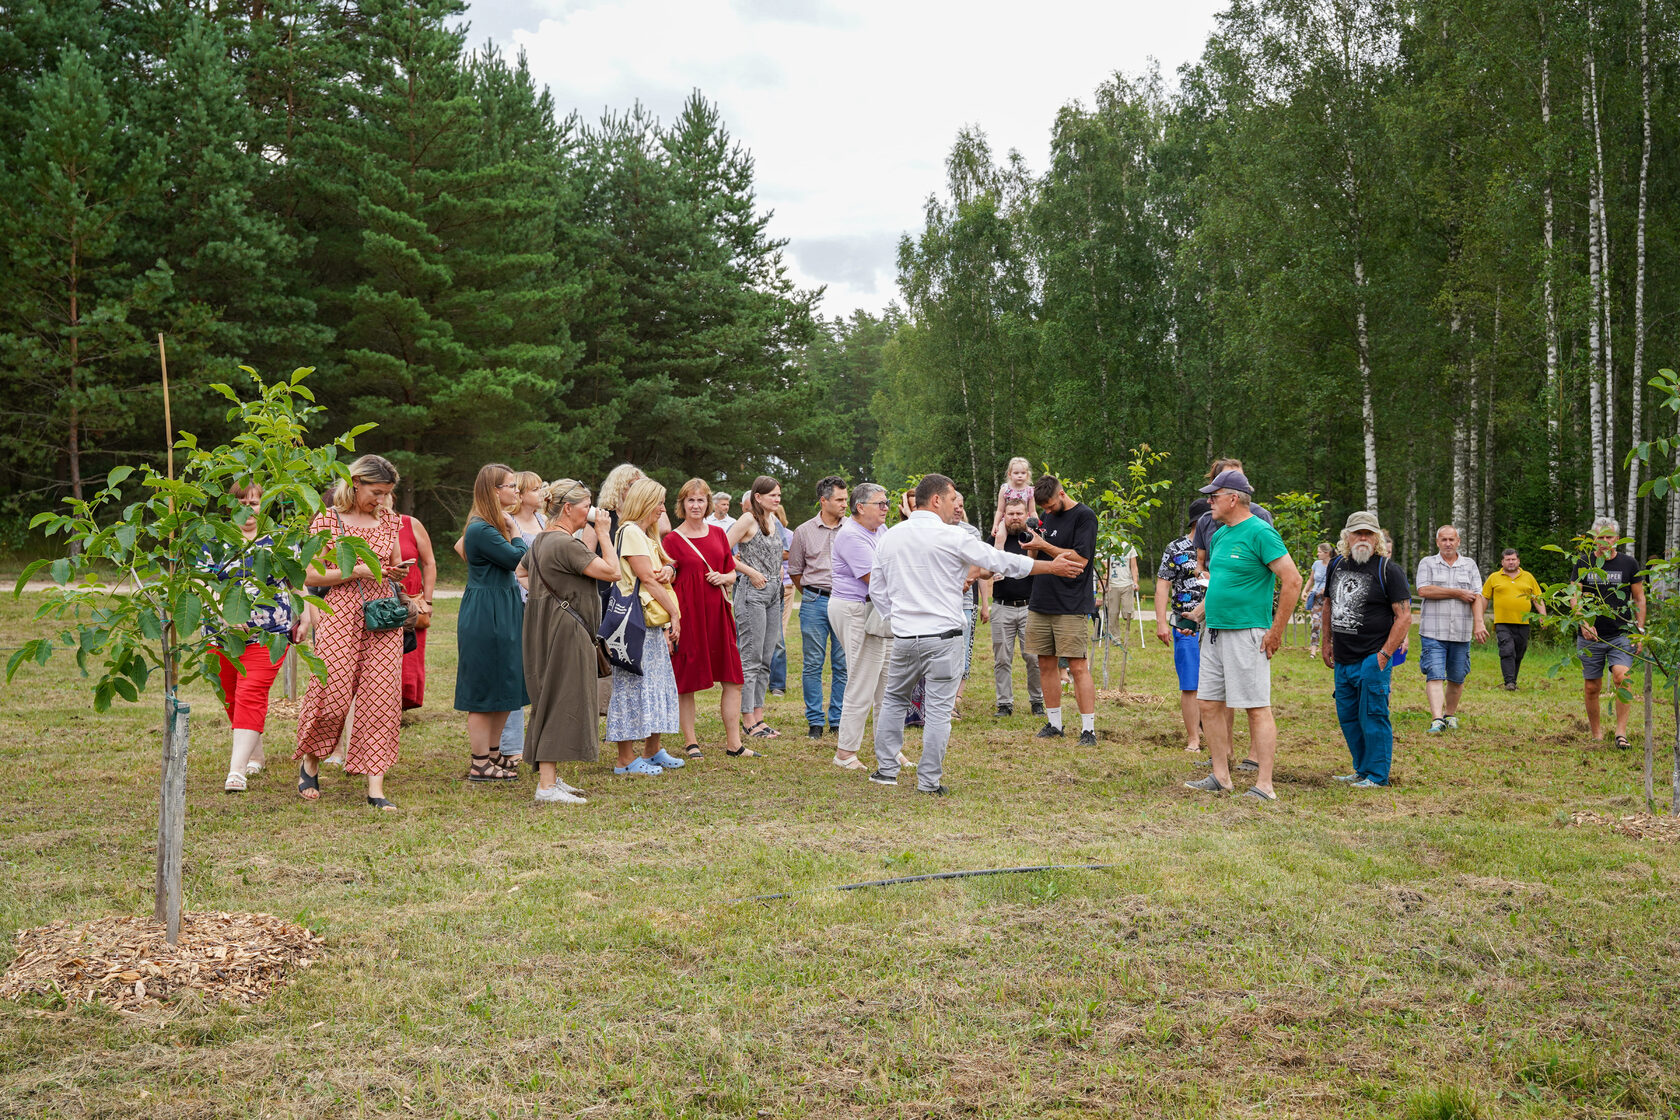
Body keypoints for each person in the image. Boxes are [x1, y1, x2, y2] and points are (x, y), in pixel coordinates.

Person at [869, 474, 1087, 794]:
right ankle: (928, 782)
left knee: (893, 701)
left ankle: (886, 771)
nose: (956, 506)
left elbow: (877, 588)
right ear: (936, 500)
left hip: (904, 637)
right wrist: (1050, 567)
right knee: (939, 710)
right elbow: (1000, 561)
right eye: (952, 498)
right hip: (943, 639)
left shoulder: (890, 537)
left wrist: (896, 618)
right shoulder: (952, 536)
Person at [294, 454, 409, 810]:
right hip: (341, 612)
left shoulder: (390, 521)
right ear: (356, 483)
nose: (382, 499)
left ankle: (376, 787)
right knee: (332, 694)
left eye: (387, 493)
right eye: (377, 492)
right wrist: (356, 570)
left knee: (381, 698)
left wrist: (397, 573)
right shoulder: (328, 520)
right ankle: (310, 762)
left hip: (382, 615)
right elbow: (309, 575)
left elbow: (392, 563)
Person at [1182, 468, 1301, 802]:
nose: (1209, 502)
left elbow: (1292, 580)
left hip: (1247, 632)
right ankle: (1221, 777)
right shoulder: (1219, 535)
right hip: (1214, 632)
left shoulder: (1261, 533)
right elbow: (1220, 583)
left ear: (1233, 499)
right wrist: (1199, 614)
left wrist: (1275, 632)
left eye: (1214, 496)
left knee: (1255, 707)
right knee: (1208, 703)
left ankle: (1265, 785)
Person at [522, 479, 622, 805]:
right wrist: (604, 534)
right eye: (586, 507)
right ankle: (546, 786)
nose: (591, 512)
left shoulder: (542, 540)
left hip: (547, 625)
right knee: (562, 699)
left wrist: (549, 598)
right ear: (568, 508)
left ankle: (550, 777)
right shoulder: (566, 544)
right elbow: (613, 572)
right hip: (566, 630)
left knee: (549, 696)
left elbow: (521, 573)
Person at [204, 482, 298, 793]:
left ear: (263, 505)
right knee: (231, 696)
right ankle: (255, 754)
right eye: (241, 503)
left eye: (254, 503)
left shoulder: (280, 539)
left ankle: (236, 771)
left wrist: (306, 616)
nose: (248, 510)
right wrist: (226, 615)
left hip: (269, 633)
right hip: (222, 635)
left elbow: (297, 581)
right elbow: (203, 582)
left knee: (251, 693)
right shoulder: (214, 539)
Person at [1321, 511, 1411, 788]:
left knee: (1373, 716)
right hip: (1343, 658)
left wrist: (1384, 655)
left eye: (1368, 533)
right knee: (1348, 717)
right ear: (1346, 536)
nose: (1363, 538)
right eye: (1357, 532)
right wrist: (1326, 642)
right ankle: (1361, 770)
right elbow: (1328, 604)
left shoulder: (1388, 570)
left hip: (1373, 657)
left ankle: (1377, 776)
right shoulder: (1336, 564)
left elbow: (1404, 617)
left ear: (1377, 538)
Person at [828, 483, 913, 771]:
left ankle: (889, 749)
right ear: (860, 507)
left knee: (888, 683)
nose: (886, 508)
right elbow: (874, 578)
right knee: (863, 681)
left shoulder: (880, 530)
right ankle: (845, 752)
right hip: (855, 609)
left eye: (887, 502)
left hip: (878, 611)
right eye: (880, 503)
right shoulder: (851, 535)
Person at [455, 463, 531, 782]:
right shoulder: (481, 529)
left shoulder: (490, 525)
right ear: (494, 491)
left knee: (506, 681)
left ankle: (494, 752)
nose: (516, 491)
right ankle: (479, 762)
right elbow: (519, 560)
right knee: (485, 686)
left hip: (504, 604)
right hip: (486, 611)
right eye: (511, 486)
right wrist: (515, 531)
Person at [605, 478, 687, 774]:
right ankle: (625, 759)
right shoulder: (630, 532)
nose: (662, 509)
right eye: (659, 503)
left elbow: (663, 569)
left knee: (655, 683)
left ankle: (652, 749)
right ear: (645, 502)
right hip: (636, 623)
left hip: (649, 622)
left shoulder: (644, 534)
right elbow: (647, 579)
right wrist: (674, 613)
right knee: (631, 686)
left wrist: (668, 569)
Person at [665, 478, 749, 760]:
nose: (696, 505)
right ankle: (691, 742)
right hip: (688, 615)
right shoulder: (672, 540)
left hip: (717, 613)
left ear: (708, 503)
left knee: (733, 678)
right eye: (690, 500)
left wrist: (724, 577)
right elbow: (668, 579)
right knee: (687, 680)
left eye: (701, 500)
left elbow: (731, 572)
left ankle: (734, 743)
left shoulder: (718, 534)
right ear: (682, 504)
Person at [1023, 475, 1100, 745]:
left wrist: (1043, 544)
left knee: (1077, 666)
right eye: (1043, 507)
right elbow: (1035, 559)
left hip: (1071, 603)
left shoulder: (1084, 516)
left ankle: (1088, 730)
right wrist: (1032, 543)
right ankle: (1054, 724)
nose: (1047, 510)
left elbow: (1079, 559)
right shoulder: (1046, 517)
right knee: (1045, 663)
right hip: (1041, 599)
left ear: (1062, 494)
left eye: (1051, 505)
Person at [1572, 517, 1646, 748]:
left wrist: (1640, 630)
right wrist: (1583, 622)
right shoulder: (1583, 562)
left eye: (1609, 537)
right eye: (1600, 537)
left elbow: (1639, 598)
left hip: (1621, 633)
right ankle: (1596, 734)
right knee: (1592, 686)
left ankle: (1621, 733)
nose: (1605, 541)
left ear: (1617, 539)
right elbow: (1574, 595)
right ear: (1594, 540)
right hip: (1590, 636)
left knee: (1622, 677)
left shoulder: (1629, 564)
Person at [789, 475, 850, 737]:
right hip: (814, 601)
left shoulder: (853, 529)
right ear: (823, 501)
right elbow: (795, 570)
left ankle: (838, 719)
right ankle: (815, 721)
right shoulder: (803, 531)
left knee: (843, 663)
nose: (845, 504)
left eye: (846, 499)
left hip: (845, 601)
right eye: (839, 500)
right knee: (813, 663)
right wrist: (812, 594)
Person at [729, 476, 786, 741]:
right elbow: (721, 550)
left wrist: (778, 570)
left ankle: (759, 716)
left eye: (779, 495)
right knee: (751, 658)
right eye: (772, 495)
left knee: (766, 657)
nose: (777, 499)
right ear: (758, 497)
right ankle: (747, 719)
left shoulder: (774, 520)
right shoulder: (747, 519)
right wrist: (749, 571)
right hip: (752, 593)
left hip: (774, 592)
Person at [497, 471, 547, 769]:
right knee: (515, 672)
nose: (541, 493)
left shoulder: (543, 521)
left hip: (541, 603)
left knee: (540, 673)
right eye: (536, 489)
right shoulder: (507, 521)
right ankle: (511, 745)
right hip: (516, 602)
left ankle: (539, 742)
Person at [1416, 524, 1485, 733]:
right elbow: (1424, 590)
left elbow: (1477, 596)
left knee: (1457, 677)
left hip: (1461, 632)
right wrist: (1457, 593)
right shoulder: (1427, 563)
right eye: (1444, 540)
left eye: (1451, 539)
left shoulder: (1469, 565)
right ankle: (1437, 719)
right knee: (1435, 674)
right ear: (1437, 542)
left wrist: (1479, 622)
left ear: (1458, 541)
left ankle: (1450, 715)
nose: (1448, 543)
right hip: (1433, 631)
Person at [1154, 499, 1211, 754]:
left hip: (1217, 622)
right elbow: (1163, 585)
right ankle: (1193, 739)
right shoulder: (1176, 548)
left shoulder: (1221, 546)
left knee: (1214, 682)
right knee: (1190, 683)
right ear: (1198, 522)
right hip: (1185, 621)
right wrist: (1160, 622)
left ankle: (1213, 733)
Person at [989, 498, 1044, 718]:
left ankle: (1037, 701)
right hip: (1002, 606)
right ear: (1004, 516)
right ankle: (1004, 703)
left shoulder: (1035, 538)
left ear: (1026, 515)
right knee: (1002, 658)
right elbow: (986, 566)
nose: (1014, 518)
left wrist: (1035, 536)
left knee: (1033, 658)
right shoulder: (995, 539)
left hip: (1030, 607)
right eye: (1010, 514)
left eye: (1019, 514)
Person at [1479, 548, 1546, 689]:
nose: (1511, 562)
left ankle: (1512, 681)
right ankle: (1509, 682)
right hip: (1502, 622)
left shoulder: (1528, 577)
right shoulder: (1494, 577)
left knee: (1518, 653)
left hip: (1523, 622)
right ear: (1502, 562)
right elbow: (1485, 598)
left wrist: (1543, 615)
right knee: (1507, 650)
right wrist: (1480, 619)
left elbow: (1537, 598)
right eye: (1507, 560)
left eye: (1513, 559)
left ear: (1518, 561)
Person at [1191, 458, 1274, 571]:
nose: (1238, 481)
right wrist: (1204, 576)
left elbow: (1280, 570)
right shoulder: (1206, 521)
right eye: (1229, 477)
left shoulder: (1261, 517)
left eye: (1240, 477)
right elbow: (1200, 564)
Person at [395, 496, 436, 713]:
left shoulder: (410, 524)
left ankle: (403, 703)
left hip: (411, 600)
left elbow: (429, 562)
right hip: (381, 601)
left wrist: (427, 600)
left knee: (410, 657)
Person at [769, 512, 794, 695]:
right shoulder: (745, 525)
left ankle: (777, 683)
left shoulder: (784, 531)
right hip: (752, 587)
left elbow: (787, 553)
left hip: (781, 585)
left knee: (778, 635)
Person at [990, 456, 1037, 542]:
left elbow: (1032, 511)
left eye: (1023, 473)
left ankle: (1032, 551)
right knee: (999, 536)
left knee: (1033, 534)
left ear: (1027, 475)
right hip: (1007, 520)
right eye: (1016, 473)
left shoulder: (1030, 491)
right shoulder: (1005, 489)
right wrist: (995, 525)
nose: (1020, 476)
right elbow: (1000, 510)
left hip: (1025, 520)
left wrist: (1036, 525)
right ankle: (998, 551)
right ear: (1009, 474)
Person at [1102, 541, 1140, 647]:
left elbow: (1134, 566)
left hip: (1127, 584)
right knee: (1112, 614)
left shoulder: (1129, 547)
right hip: (1112, 585)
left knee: (1128, 612)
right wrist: (1105, 584)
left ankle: (1127, 634)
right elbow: (1104, 568)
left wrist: (1135, 581)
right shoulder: (1107, 546)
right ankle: (1116, 638)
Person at [1305, 543, 1331, 658]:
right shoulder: (1316, 564)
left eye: (1319, 552)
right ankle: (1313, 651)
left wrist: (1326, 589)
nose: (1317, 554)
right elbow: (1311, 579)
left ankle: (1331, 650)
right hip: (1316, 598)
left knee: (1330, 626)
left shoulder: (1333, 565)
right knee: (1315, 623)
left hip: (1329, 599)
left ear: (1327, 553)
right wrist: (1304, 591)